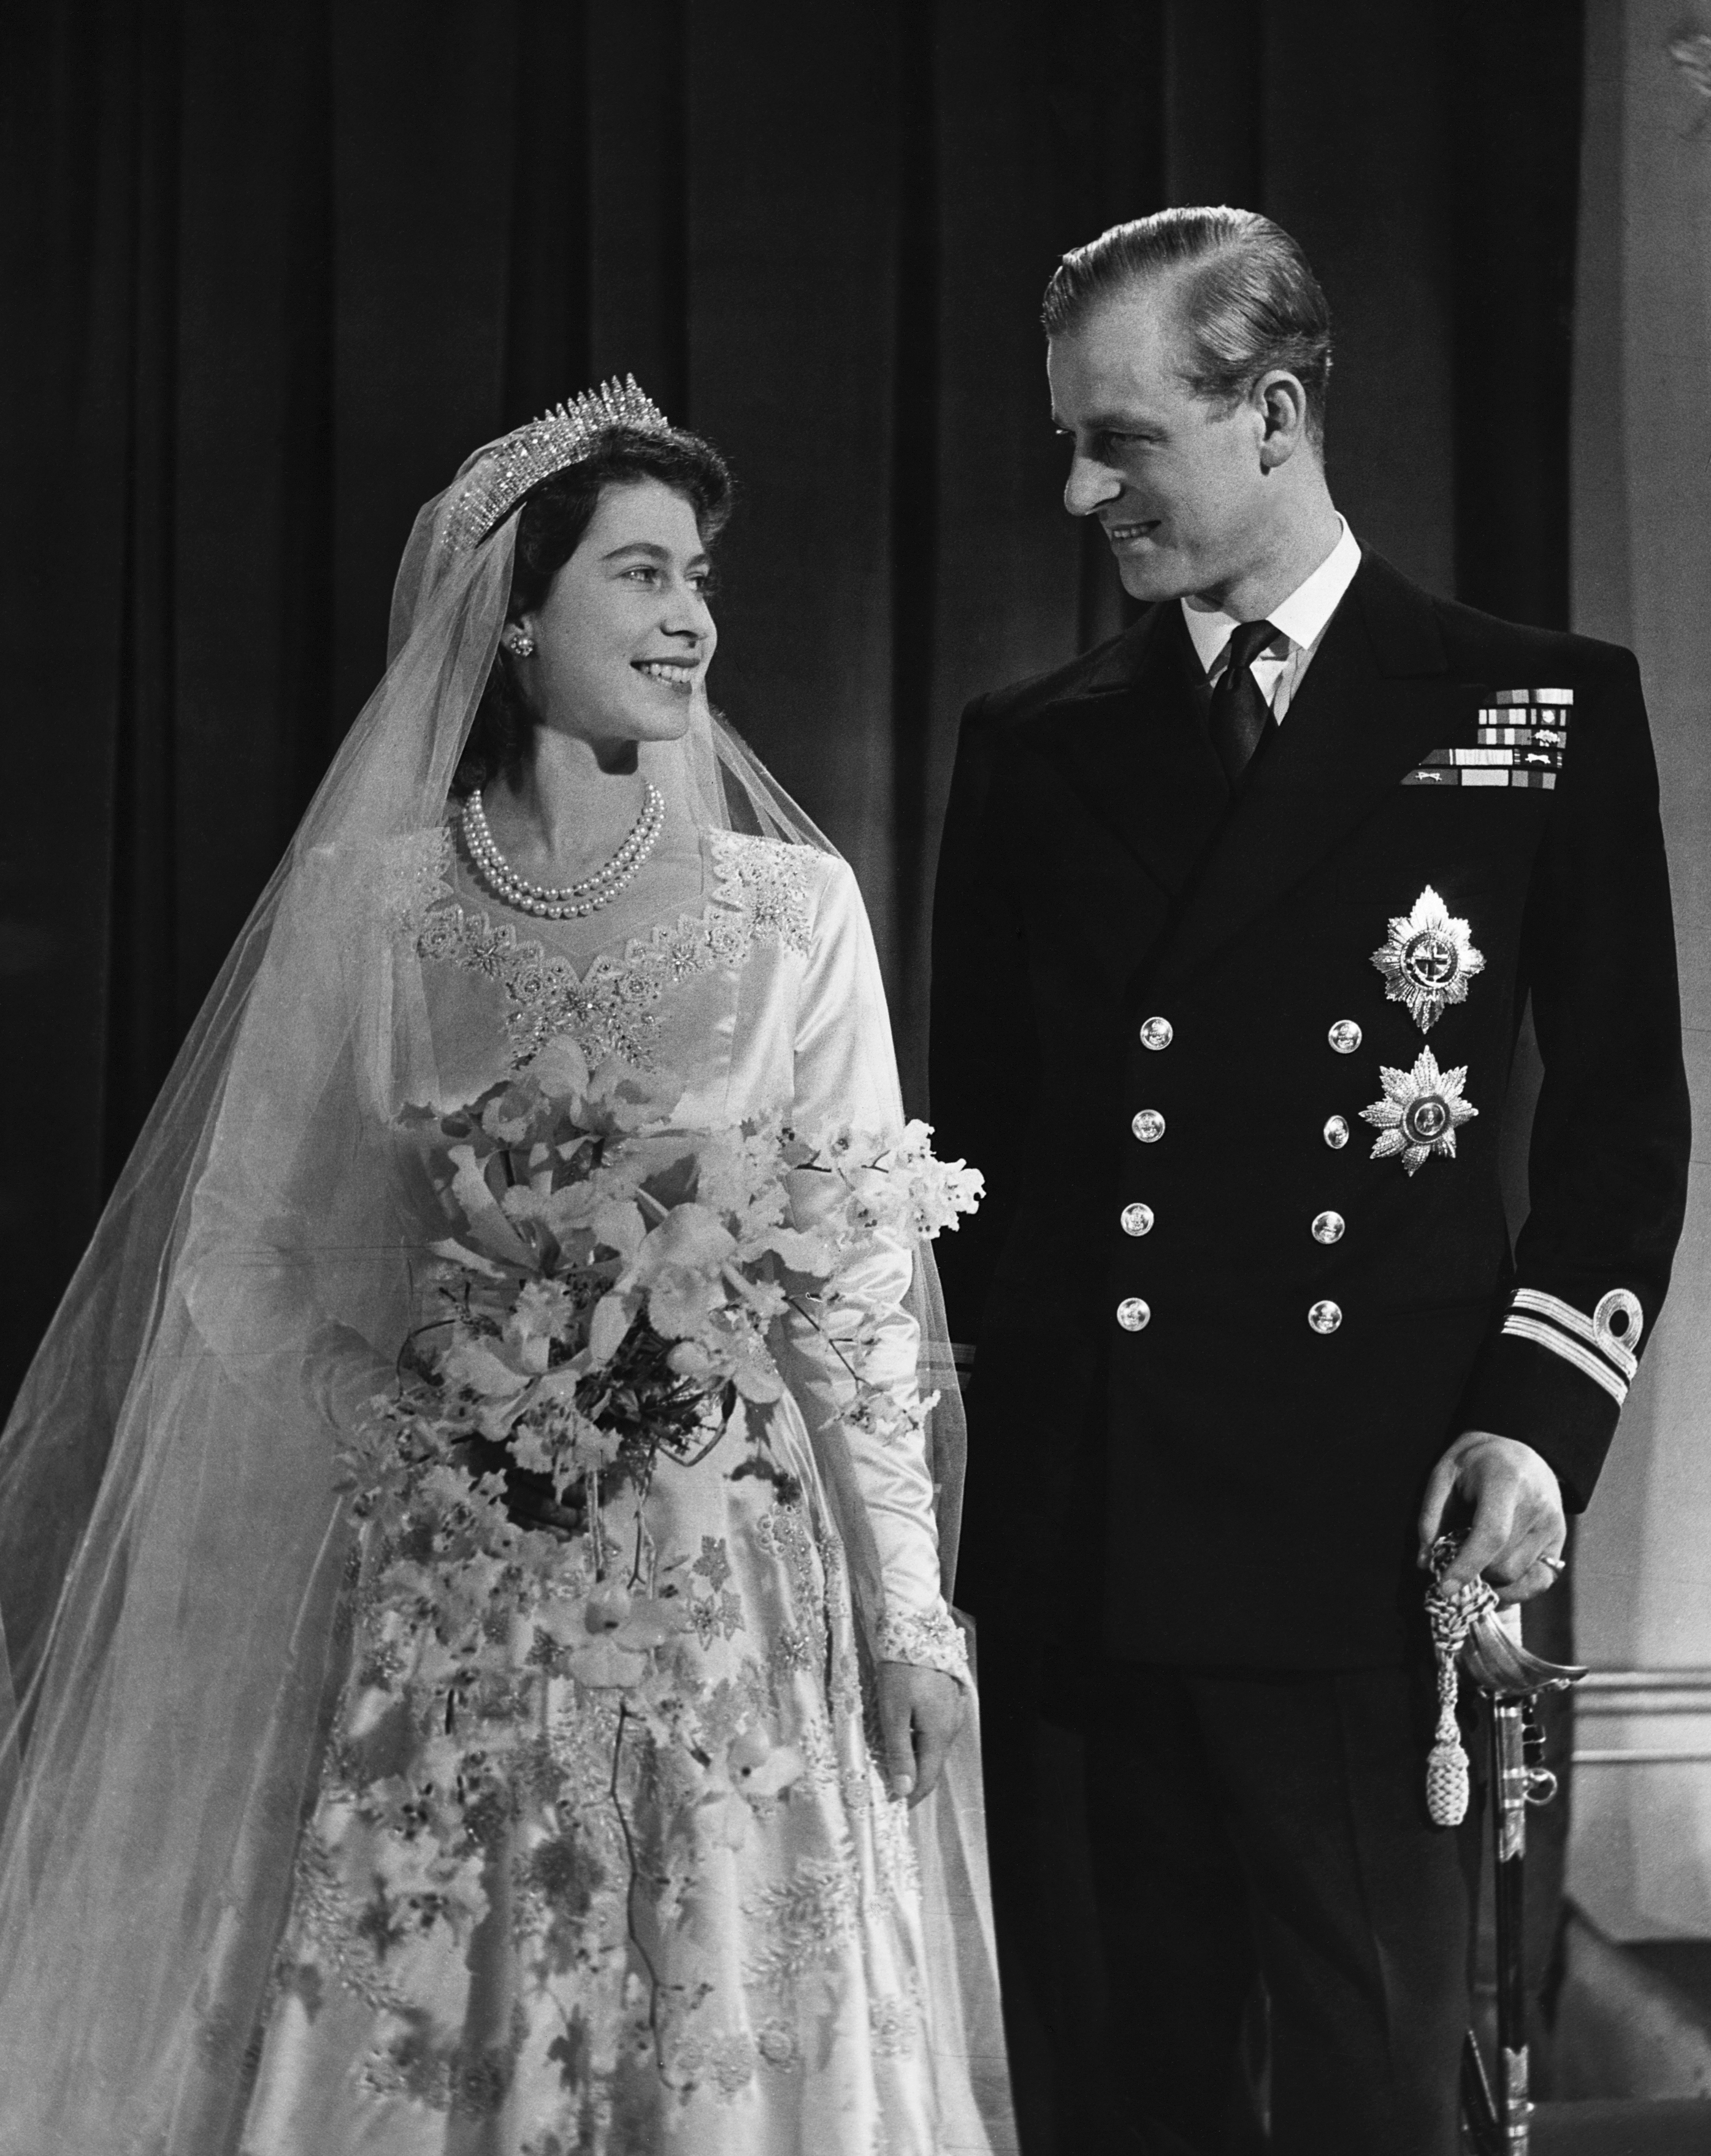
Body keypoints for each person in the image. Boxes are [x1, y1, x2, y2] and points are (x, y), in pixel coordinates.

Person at [0, 383, 1015, 2154]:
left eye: (696, 574)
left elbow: (856, 1298)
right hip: (460, 1584)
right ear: (517, 614)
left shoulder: (794, 914)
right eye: (639, 573)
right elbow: (234, 1251)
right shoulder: (373, 908)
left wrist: (907, 1615)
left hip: (726, 1597)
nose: (691, 614)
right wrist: (403, 1421)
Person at [928, 208, 1690, 2155]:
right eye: (1070, 440)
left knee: (1370, 2091)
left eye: (1124, 438)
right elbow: (978, 1169)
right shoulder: (1030, 752)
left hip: (1369, 1532)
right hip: (1090, 1546)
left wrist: (1536, 1427)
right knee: (1123, 2101)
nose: (1082, 487)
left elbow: (1621, 1124)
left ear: (1273, 414)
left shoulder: (1531, 707)